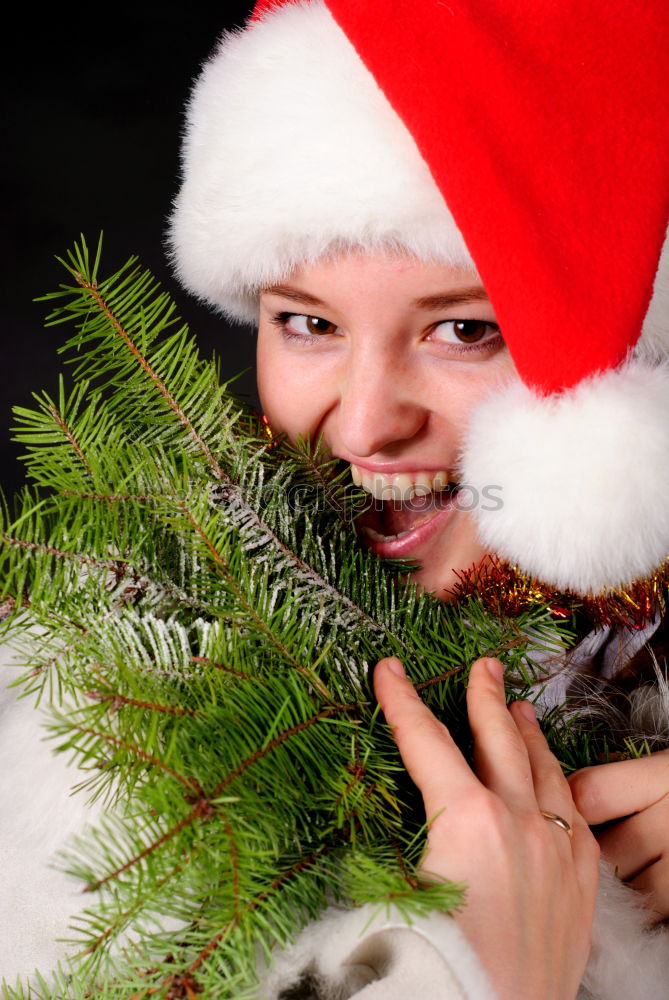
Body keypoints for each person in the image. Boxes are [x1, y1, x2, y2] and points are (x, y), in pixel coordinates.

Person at [2, 1, 669, 997]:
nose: (361, 427)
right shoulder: (117, 721)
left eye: (463, 332)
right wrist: (466, 969)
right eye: (309, 321)